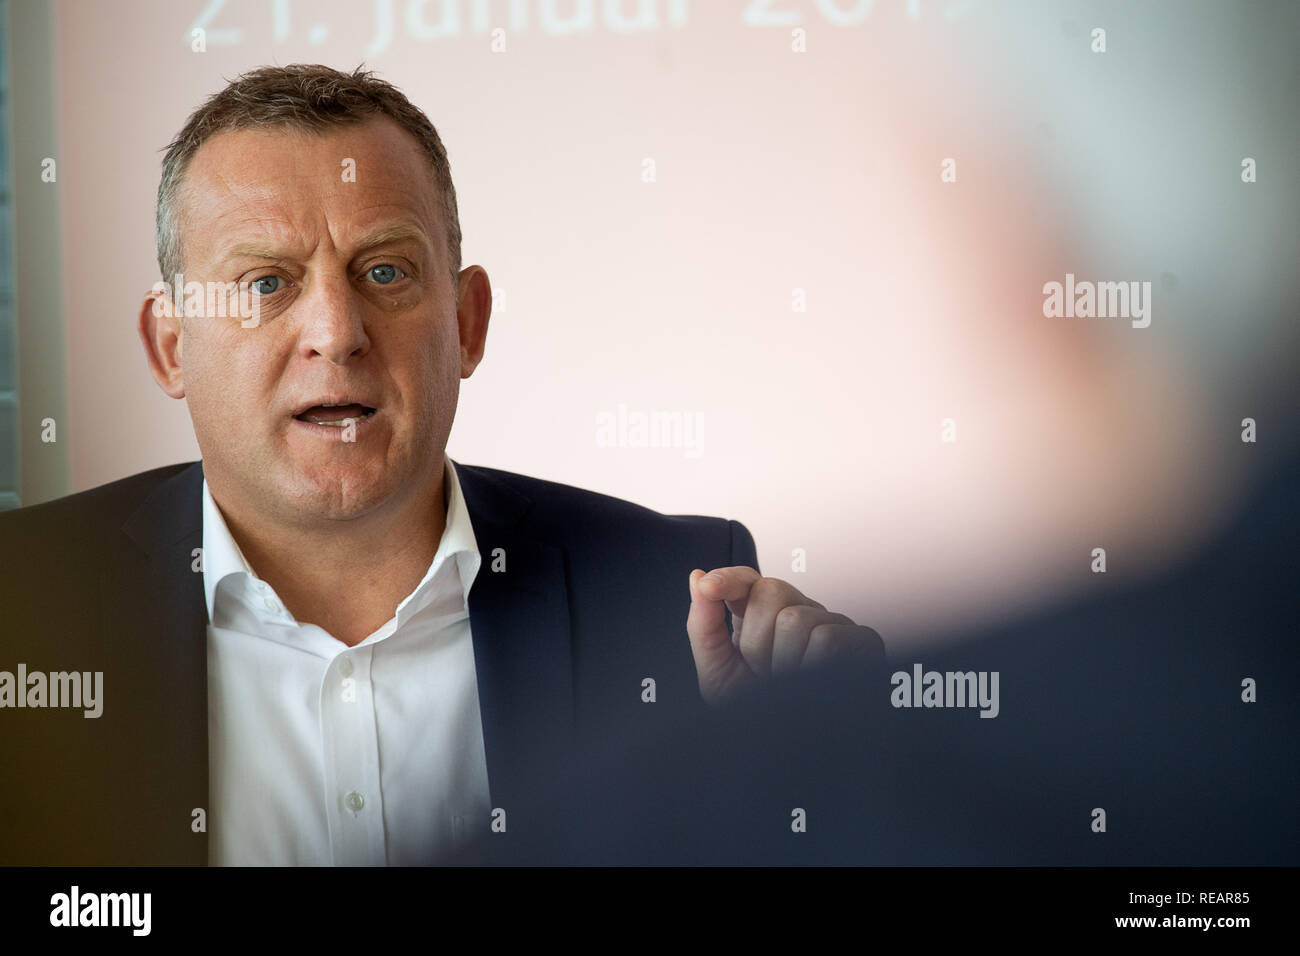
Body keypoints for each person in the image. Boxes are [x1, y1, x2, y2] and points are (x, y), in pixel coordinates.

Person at [0, 64, 880, 866]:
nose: (337, 332)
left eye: (384, 271)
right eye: (265, 284)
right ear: (169, 349)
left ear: (467, 322)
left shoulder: (670, 607)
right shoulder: (24, 601)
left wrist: (821, 765)